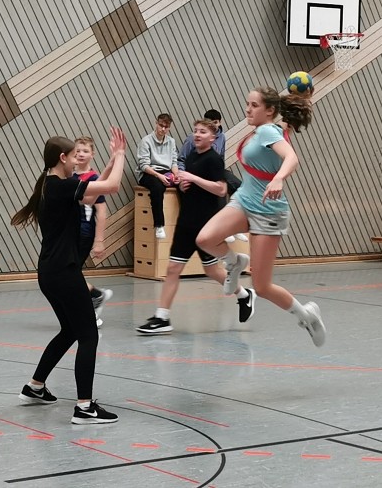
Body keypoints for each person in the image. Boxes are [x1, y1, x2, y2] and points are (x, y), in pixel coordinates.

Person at [10, 127, 126, 425]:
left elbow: (93, 193)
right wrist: (122, 155)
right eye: (75, 156)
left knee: (70, 331)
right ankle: (85, 408)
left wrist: (111, 161)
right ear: (62, 158)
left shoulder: (55, 185)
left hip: (50, 272)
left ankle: (35, 387)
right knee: (88, 335)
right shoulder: (60, 186)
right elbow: (112, 187)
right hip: (64, 273)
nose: (78, 160)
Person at [196, 87, 326, 347]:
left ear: (269, 110)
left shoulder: (268, 131)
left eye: (254, 105)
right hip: (244, 200)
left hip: (268, 211)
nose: (247, 109)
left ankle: (306, 316)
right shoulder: (264, 129)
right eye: (247, 103)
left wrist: (279, 178)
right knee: (206, 239)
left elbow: (291, 158)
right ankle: (235, 261)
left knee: (262, 286)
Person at [137, 119, 255, 335]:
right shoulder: (191, 156)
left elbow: (220, 190)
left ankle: (243, 293)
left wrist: (193, 177)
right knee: (174, 269)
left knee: (211, 270)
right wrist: (184, 185)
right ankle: (162, 317)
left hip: (205, 225)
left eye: (203, 132)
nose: (197, 134)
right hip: (186, 222)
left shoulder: (214, 160)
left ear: (213, 137)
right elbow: (191, 186)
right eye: (195, 131)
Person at [178, 109, 246, 243]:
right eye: (210, 123)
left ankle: (233, 225)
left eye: (215, 123)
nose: (213, 125)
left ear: (219, 123)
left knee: (238, 186)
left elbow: (221, 157)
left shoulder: (222, 137)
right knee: (219, 191)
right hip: (197, 170)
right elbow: (181, 159)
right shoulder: (192, 139)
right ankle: (222, 228)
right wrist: (182, 175)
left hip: (214, 168)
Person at [72, 136, 113, 327]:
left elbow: (101, 211)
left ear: (92, 155)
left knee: (71, 273)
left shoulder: (94, 179)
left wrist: (99, 240)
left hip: (84, 232)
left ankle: (93, 301)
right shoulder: (70, 177)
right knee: (69, 273)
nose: (81, 154)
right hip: (70, 232)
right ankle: (93, 298)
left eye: (85, 151)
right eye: (78, 151)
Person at [136, 113, 179, 239]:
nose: (163, 129)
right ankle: (159, 225)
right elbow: (144, 165)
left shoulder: (171, 141)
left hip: (166, 172)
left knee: (185, 184)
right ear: (156, 123)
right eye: (161, 125)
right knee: (157, 187)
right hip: (148, 173)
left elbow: (174, 162)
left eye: (166, 127)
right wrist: (159, 176)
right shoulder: (146, 141)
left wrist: (176, 175)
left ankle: (188, 221)